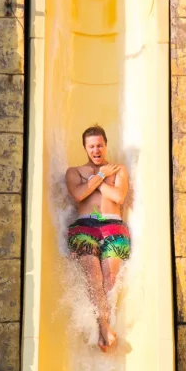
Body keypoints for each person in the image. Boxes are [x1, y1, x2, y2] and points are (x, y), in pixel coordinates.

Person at [65, 125, 130, 353]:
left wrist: (96, 180)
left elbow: (118, 196)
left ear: (105, 145)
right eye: (91, 146)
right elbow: (79, 194)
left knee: (109, 277)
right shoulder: (73, 172)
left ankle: (104, 328)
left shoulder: (119, 169)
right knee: (93, 274)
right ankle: (104, 327)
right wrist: (102, 175)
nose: (96, 150)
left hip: (113, 225)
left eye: (99, 145)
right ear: (85, 148)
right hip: (85, 227)